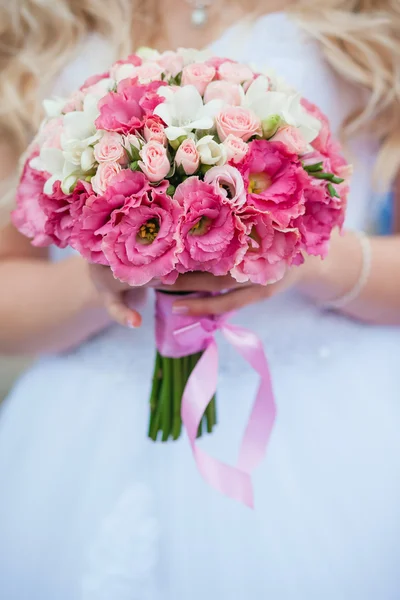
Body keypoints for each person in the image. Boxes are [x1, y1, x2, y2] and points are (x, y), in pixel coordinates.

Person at [0, 1, 399, 598]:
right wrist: (103, 273)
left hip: (330, 422)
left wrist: (303, 254)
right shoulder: (38, 24)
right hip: (85, 429)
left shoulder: (373, 19)